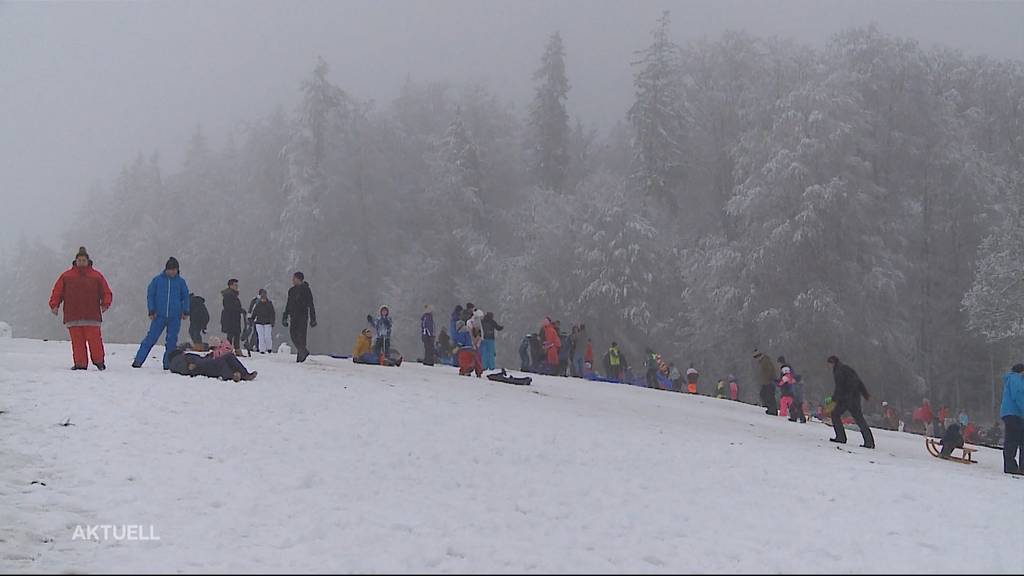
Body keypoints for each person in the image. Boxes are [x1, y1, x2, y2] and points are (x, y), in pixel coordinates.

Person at [48, 246, 113, 370]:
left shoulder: (96, 276)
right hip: (73, 315)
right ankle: (80, 364)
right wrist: (54, 304)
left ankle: (99, 361)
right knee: (77, 343)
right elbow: (57, 292)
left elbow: (106, 292)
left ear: (88, 261)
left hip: (91, 316)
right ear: (75, 261)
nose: (81, 262)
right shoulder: (66, 276)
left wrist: (105, 303)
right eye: (80, 260)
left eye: (84, 260)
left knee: (95, 342)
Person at [132, 257, 189, 369]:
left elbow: (185, 297)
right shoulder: (157, 280)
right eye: (171, 269)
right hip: (159, 316)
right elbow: (151, 296)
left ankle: (168, 364)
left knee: (171, 341)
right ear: (166, 269)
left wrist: (185, 310)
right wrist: (151, 310)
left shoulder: (181, 282)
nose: (172, 272)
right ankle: (138, 360)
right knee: (151, 338)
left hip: (175, 316)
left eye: (175, 270)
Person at [826, 355, 875, 449]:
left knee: (835, 414)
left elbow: (839, 387)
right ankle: (869, 442)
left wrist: (833, 401)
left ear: (832, 363)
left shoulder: (838, 371)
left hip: (846, 398)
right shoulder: (848, 369)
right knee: (860, 419)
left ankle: (841, 437)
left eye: (829, 364)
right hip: (855, 398)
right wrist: (866, 395)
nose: (829, 367)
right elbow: (859, 382)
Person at [282, 271, 316, 363]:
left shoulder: (306, 290)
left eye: (294, 278)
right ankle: (303, 351)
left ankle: (300, 356)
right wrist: (285, 316)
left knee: (301, 336)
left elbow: (311, 304)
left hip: (303, 316)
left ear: (298, 279)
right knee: (293, 334)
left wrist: (313, 319)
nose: (292, 280)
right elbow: (288, 304)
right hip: (293, 316)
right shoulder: (291, 291)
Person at [999, 363, 1024, 475]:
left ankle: (1013, 466)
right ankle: (1012, 467)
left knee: (1014, 440)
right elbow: (1018, 396)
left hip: (1011, 413)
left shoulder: (1012, 379)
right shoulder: (1015, 379)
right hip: (1014, 414)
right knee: (1013, 440)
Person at [220, 279, 245, 355]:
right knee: (231, 335)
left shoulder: (233, 295)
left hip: (235, 318)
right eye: (235, 285)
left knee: (236, 334)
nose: (237, 286)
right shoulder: (228, 295)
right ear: (230, 285)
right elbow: (229, 307)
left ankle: (236, 350)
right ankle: (229, 351)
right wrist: (239, 310)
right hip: (230, 318)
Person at [250, 288, 275, 354]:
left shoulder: (269, 304)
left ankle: (269, 348)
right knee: (261, 337)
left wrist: (272, 322)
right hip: (259, 322)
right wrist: (252, 319)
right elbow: (254, 312)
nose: (263, 299)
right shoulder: (258, 304)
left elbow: (272, 313)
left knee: (267, 336)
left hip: (267, 322)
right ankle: (262, 350)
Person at [753, 350, 778, 415]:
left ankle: (772, 410)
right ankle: (770, 408)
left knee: (769, 396)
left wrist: (769, 379)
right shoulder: (763, 361)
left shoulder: (765, 361)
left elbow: (769, 371)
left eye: (756, 357)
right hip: (766, 382)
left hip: (769, 382)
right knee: (764, 395)